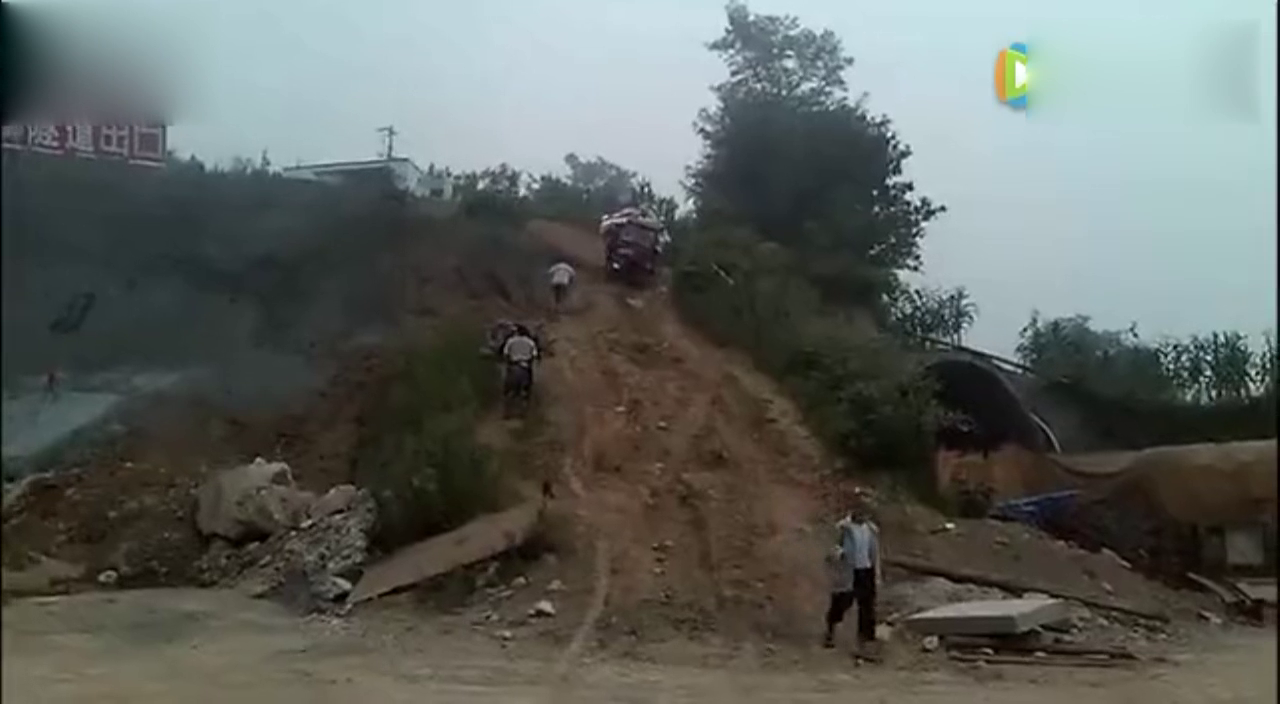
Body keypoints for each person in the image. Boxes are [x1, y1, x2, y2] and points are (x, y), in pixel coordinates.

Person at [823, 494, 882, 649]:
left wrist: (877, 573)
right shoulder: (843, 528)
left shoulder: (871, 530)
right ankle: (831, 631)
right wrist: (837, 554)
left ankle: (866, 638)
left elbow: (875, 553)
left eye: (866, 511)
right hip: (848, 571)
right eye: (861, 510)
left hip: (866, 570)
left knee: (867, 605)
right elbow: (832, 548)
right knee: (842, 602)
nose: (863, 514)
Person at [500, 323, 540, 399]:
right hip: (526, 365)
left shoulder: (511, 341)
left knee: (507, 385)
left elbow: (505, 353)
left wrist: (507, 360)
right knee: (528, 383)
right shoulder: (530, 342)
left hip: (513, 364)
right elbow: (535, 355)